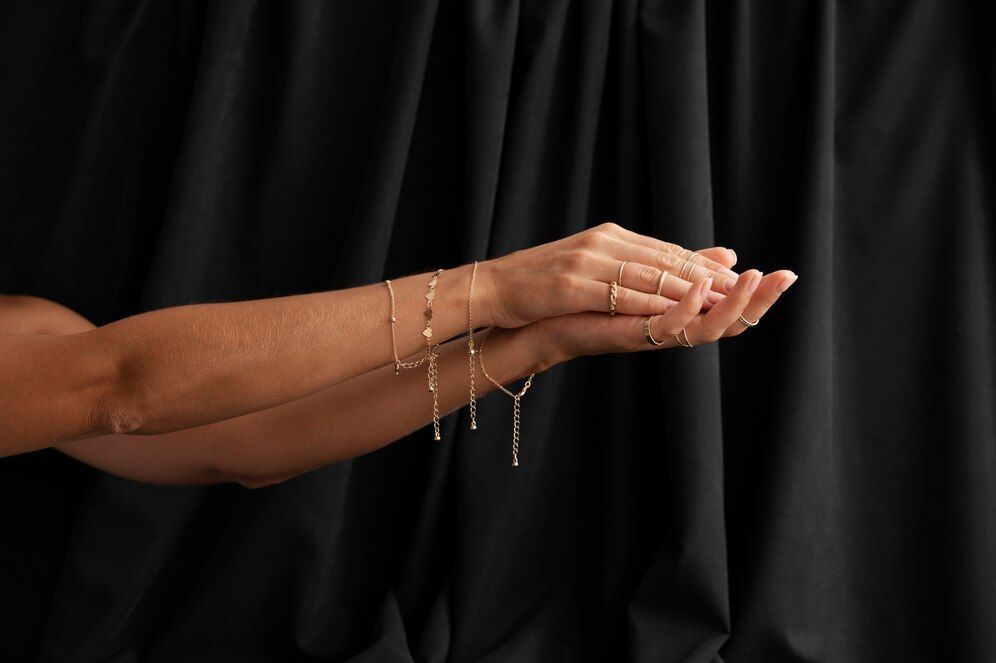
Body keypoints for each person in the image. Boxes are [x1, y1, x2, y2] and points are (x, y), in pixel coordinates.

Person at [0, 223, 796, 486]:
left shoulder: (24, 322)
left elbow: (241, 444)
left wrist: (537, 343)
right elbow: (120, 386)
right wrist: (486, 290)